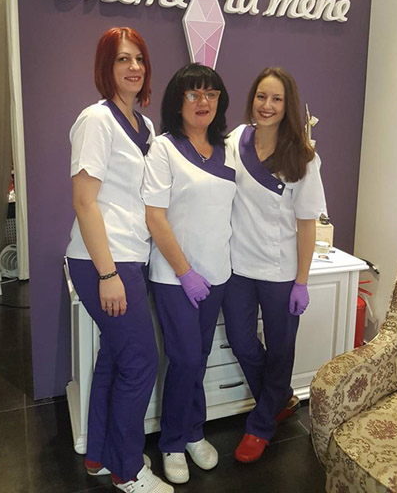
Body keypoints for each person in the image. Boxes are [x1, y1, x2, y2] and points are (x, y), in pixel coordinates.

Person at [65, 26, 172, 493]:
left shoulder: (144, 126)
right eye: (122, 59)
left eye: (139, 59)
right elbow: (84, 202)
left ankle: (99, 454)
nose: (133, 67)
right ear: (105, 67)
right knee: (141, 360)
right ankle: (128, 470)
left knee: (114, 356)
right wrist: (108, 274)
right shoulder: (96, 120)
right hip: (103, 261)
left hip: (132, 257)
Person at [222, 66, 328, 463]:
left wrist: (301, 281)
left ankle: (261, 424)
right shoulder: (236, 140)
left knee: (281, 349)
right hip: (237, 266)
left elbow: (306, 224)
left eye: (277, 99)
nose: (267, 105)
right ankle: (279, 397)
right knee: (241, 340)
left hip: (281, 271)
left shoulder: (303, 158)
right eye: (261, 96)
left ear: (288, 105)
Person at [143, 64, 235, 484]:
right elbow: (155, 217)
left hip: (217, 274)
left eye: (211, 94)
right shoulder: (164, 149)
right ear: (177, 102)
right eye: (193, 94)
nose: (203, 102)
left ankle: (195, 430)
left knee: (199, 357)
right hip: (174, 276)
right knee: (182, 359)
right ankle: (172, 442)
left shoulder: (227, 150)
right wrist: (185, 272)